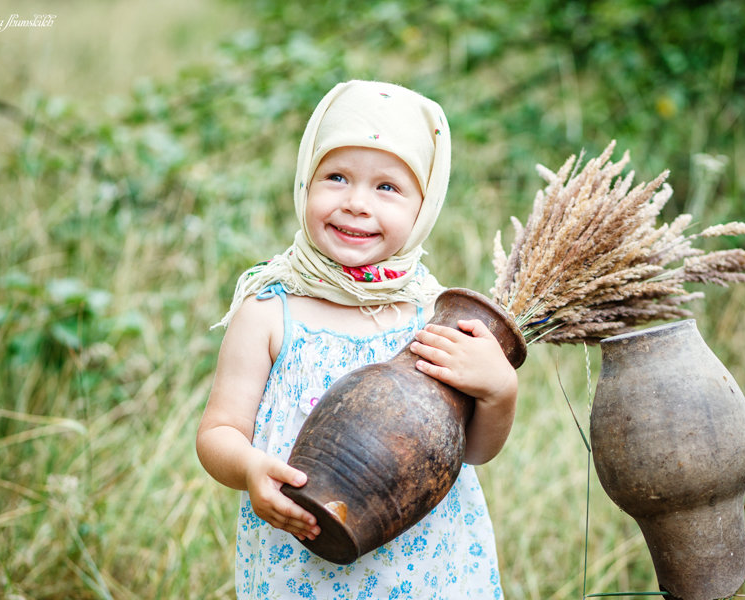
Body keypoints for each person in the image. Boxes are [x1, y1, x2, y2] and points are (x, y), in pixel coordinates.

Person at [197, 80, 517, 599]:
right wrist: (250, 467)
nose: (355, 203)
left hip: (424, 566)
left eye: (387, 187)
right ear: (305, 181)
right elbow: (218, 432)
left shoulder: (432, 315)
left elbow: (473, 452)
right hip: (301, 565)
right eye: (337, 176)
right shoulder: (269, 309)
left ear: (424, 205)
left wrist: (499, 391)